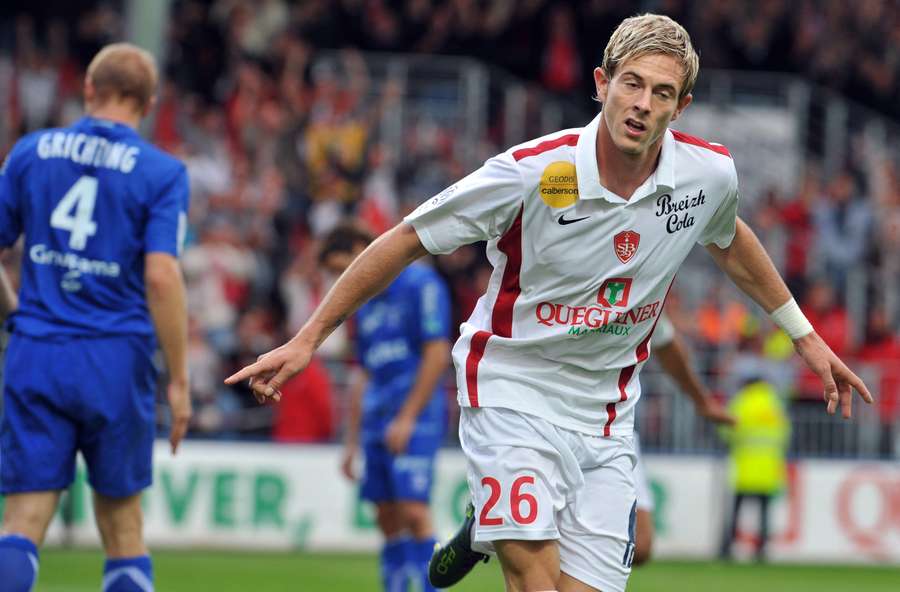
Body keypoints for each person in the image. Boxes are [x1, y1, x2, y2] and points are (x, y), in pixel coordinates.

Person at [227, 14, 871, 592]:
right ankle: (502, 514)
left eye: (663, 93)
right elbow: (405, 239)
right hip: (512, 390)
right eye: (632, 84)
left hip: (607, 416)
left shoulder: (708, 176)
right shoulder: (533, 172)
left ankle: (488, 520)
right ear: (601, 82)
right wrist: (308, 338)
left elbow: (731, 241)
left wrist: (805, 336)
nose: (643, 105)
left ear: (682, 106)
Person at [0, 43, 190, 592]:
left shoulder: (31, 152)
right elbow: (161, 276)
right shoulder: (161, 171)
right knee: (124, 530)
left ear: (88, 88)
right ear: (149, 103)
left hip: (36, 351)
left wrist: (14, 311)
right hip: (115, 358)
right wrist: (178, 379)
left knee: (21, 524)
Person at [321, 224, 451, 592]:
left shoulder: (420, 285)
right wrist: (350, 442)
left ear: (364, 249)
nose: (341, 278)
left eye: (341, 266)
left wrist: (408, 417)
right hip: (376, 419)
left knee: (413, 510)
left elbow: (437, 352)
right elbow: (363, 372)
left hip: (414, 416)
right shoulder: (363, 305)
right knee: (386, 516)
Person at [631, 313, 734, 566]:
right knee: (540, 546)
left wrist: (702, 401)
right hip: (543, 418)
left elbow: (666, 342)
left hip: (615, 430)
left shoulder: (638, 287)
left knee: (641, 544)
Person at [718, 378, 790, 562]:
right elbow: (785, 433)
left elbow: (727, 428)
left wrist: (730, 441)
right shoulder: (774, 403)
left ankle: (727, 548)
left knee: (736, 510)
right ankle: (762, 549)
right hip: (768, 467)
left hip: (745, 466)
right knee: (764, 513)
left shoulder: (742, 401)